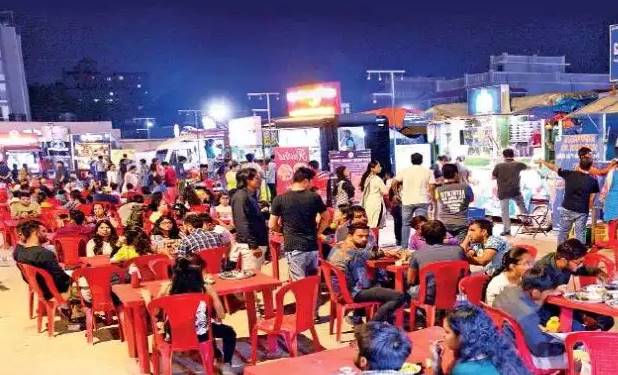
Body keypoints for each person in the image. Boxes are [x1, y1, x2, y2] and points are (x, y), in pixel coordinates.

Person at [146, 254, 237, 375]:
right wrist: (213, 294)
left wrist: (148, 297)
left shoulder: (168, 289)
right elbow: (221, 315)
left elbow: (155, 312)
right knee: (228, 332)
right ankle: (226, 364)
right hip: (201, 333)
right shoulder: (204, 289)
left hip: (174, 333)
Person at [328, 223, 408, 323]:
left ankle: (361, 318)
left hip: (338, 291)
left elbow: (366, 254)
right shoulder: (354, 255)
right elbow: (364, 284)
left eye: (366, 236)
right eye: (360, 236)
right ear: (350, 236)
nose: (364, 239)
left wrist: (385, 253)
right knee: (398, 295)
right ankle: (372, 325)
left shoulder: (339, 246)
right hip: (350, 293)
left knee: (381, 287)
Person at [493, 267, 566, 370]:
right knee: (575, 360)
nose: (548, 296)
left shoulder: (507, 291)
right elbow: (540, 350)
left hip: (502, 347)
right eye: (547, 294)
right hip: (523, 358)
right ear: (535, 292)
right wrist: (564, 346)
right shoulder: (527, 314)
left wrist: (549, 290)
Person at [535, 238, 612, 331]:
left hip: (565, 305)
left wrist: (598, 272)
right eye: (578, 262)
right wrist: (583, 316)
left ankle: (590, 335)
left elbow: (581, 269)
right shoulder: (542, 270)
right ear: (564, 260)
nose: (580, 265)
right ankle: (582, 338)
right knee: (578, 328)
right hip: (548, 312)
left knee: (607, 320)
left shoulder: (565, 261)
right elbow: (544, 299)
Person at [431, 302, 529, 375]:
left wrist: (436, 366)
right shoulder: (501, 351)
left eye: (447, 332)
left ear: (463, 336)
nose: (443, 336)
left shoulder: (463, 370)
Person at [270, 166, 329, 281]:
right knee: (313, 281)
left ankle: (304, 299)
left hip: (293, 247)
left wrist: (283, 231)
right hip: (312, 246)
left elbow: (272, 224)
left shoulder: (280, 199)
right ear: (306, 181)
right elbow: (326, 218)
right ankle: (313, 299)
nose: (312, 185)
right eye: (312, 181)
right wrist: (318, 232)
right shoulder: (314, 197)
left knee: (299, 284)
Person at [537, 157, 599, 244]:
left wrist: (543, 161)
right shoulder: (593, 181)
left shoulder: (569, 174)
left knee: (563, 232)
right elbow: (592, 198)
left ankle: (560, 253)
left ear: (579, 164)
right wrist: (589, 206)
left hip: (567, 208)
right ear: (590, 167)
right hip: (582, 211)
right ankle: (580, 254)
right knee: (580, 234)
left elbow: (554, 167)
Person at [407, 220, 466, 303]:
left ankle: (418, 312)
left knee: (409, 290)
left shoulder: (417, 254)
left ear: (423, 237)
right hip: (455, 293)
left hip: (430, 296)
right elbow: (465, 273)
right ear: (444, 235)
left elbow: (410, 281)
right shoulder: (459, 250)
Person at [14, 220, 71, 300]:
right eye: (42, 231)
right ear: (35, 232)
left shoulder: (20, 252)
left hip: (39, 287)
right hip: (52, 291)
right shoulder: (45, 254)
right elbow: (62, 280)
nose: (46, 235)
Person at [394, 153, 435, 250]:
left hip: (407, 201)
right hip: (423, 200)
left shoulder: (405, 171)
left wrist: (397, 194)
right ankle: (423, 245)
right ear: (421, 160)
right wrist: (432, 198)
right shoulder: (427, 171)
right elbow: (432, 186)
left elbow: (394, 182)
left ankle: (404, 248)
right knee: (422, 224)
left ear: (411, 160)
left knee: (406, 224)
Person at [231, 168, 268, 271]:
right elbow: (242, 223)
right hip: (250, 245)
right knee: (251, 275)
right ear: (247, 180)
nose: (260, 180)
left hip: (257, 242)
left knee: (256, 274)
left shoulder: (251, 196)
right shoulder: (241, 196)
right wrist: (253, 245)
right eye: (257, 178)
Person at [492, 149, 528, 236]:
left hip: (503, 191)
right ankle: (527, 222)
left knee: (504, 212)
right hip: (516, 191)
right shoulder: (518, 164)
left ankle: (507, 230)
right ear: (513, 155)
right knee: (522, 207)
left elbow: (493, 177)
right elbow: (526, 167)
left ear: (504, 156)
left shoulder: (499, 165)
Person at [436, 163, 474, 241]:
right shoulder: (466, 187)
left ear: (443, 175)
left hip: (444, 223)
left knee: (446, 247)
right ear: (456, 174)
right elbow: (471, 199)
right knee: (461, 248)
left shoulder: (439, 189)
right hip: (462, 223)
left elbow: (438, 202)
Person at [360, 160, 388, 240]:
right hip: (376, 204)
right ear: (372, 168)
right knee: (375, 225)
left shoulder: (366, 178)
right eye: (378, 166)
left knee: (369, 224)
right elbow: (385, 192)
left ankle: (369, 244)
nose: (380, 168)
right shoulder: (377, 179)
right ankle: (375, 246)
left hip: (367, 204)